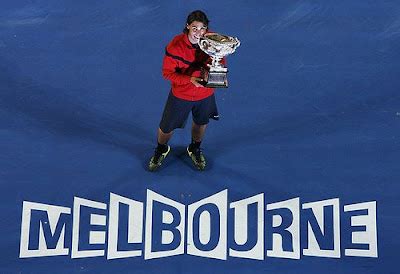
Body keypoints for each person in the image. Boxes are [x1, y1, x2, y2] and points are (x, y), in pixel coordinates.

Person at [148, 10, 220, 171]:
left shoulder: (213, 40)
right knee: (166, 127)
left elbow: (219, 58)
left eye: (203, 28)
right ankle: (161, 149)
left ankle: (194, 148)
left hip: (205, 94)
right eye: (194, 28)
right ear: (187, 26)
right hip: (181, 94)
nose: (199, 33)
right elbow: (167, 73)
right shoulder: (175, 47)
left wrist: (218, 72)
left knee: (201, 122)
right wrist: (190, 80)